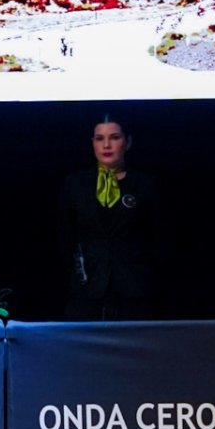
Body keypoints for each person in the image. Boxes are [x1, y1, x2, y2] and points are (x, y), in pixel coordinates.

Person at [57, 117, 169, 320]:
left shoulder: (146, 184)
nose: (106, 145)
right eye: (100, 138)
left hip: (136, 291)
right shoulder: (75, 184)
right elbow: (65, 237)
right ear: (93, 143)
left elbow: (160, 238)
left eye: (114, 137)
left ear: (128, 142)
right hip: (87, 290)